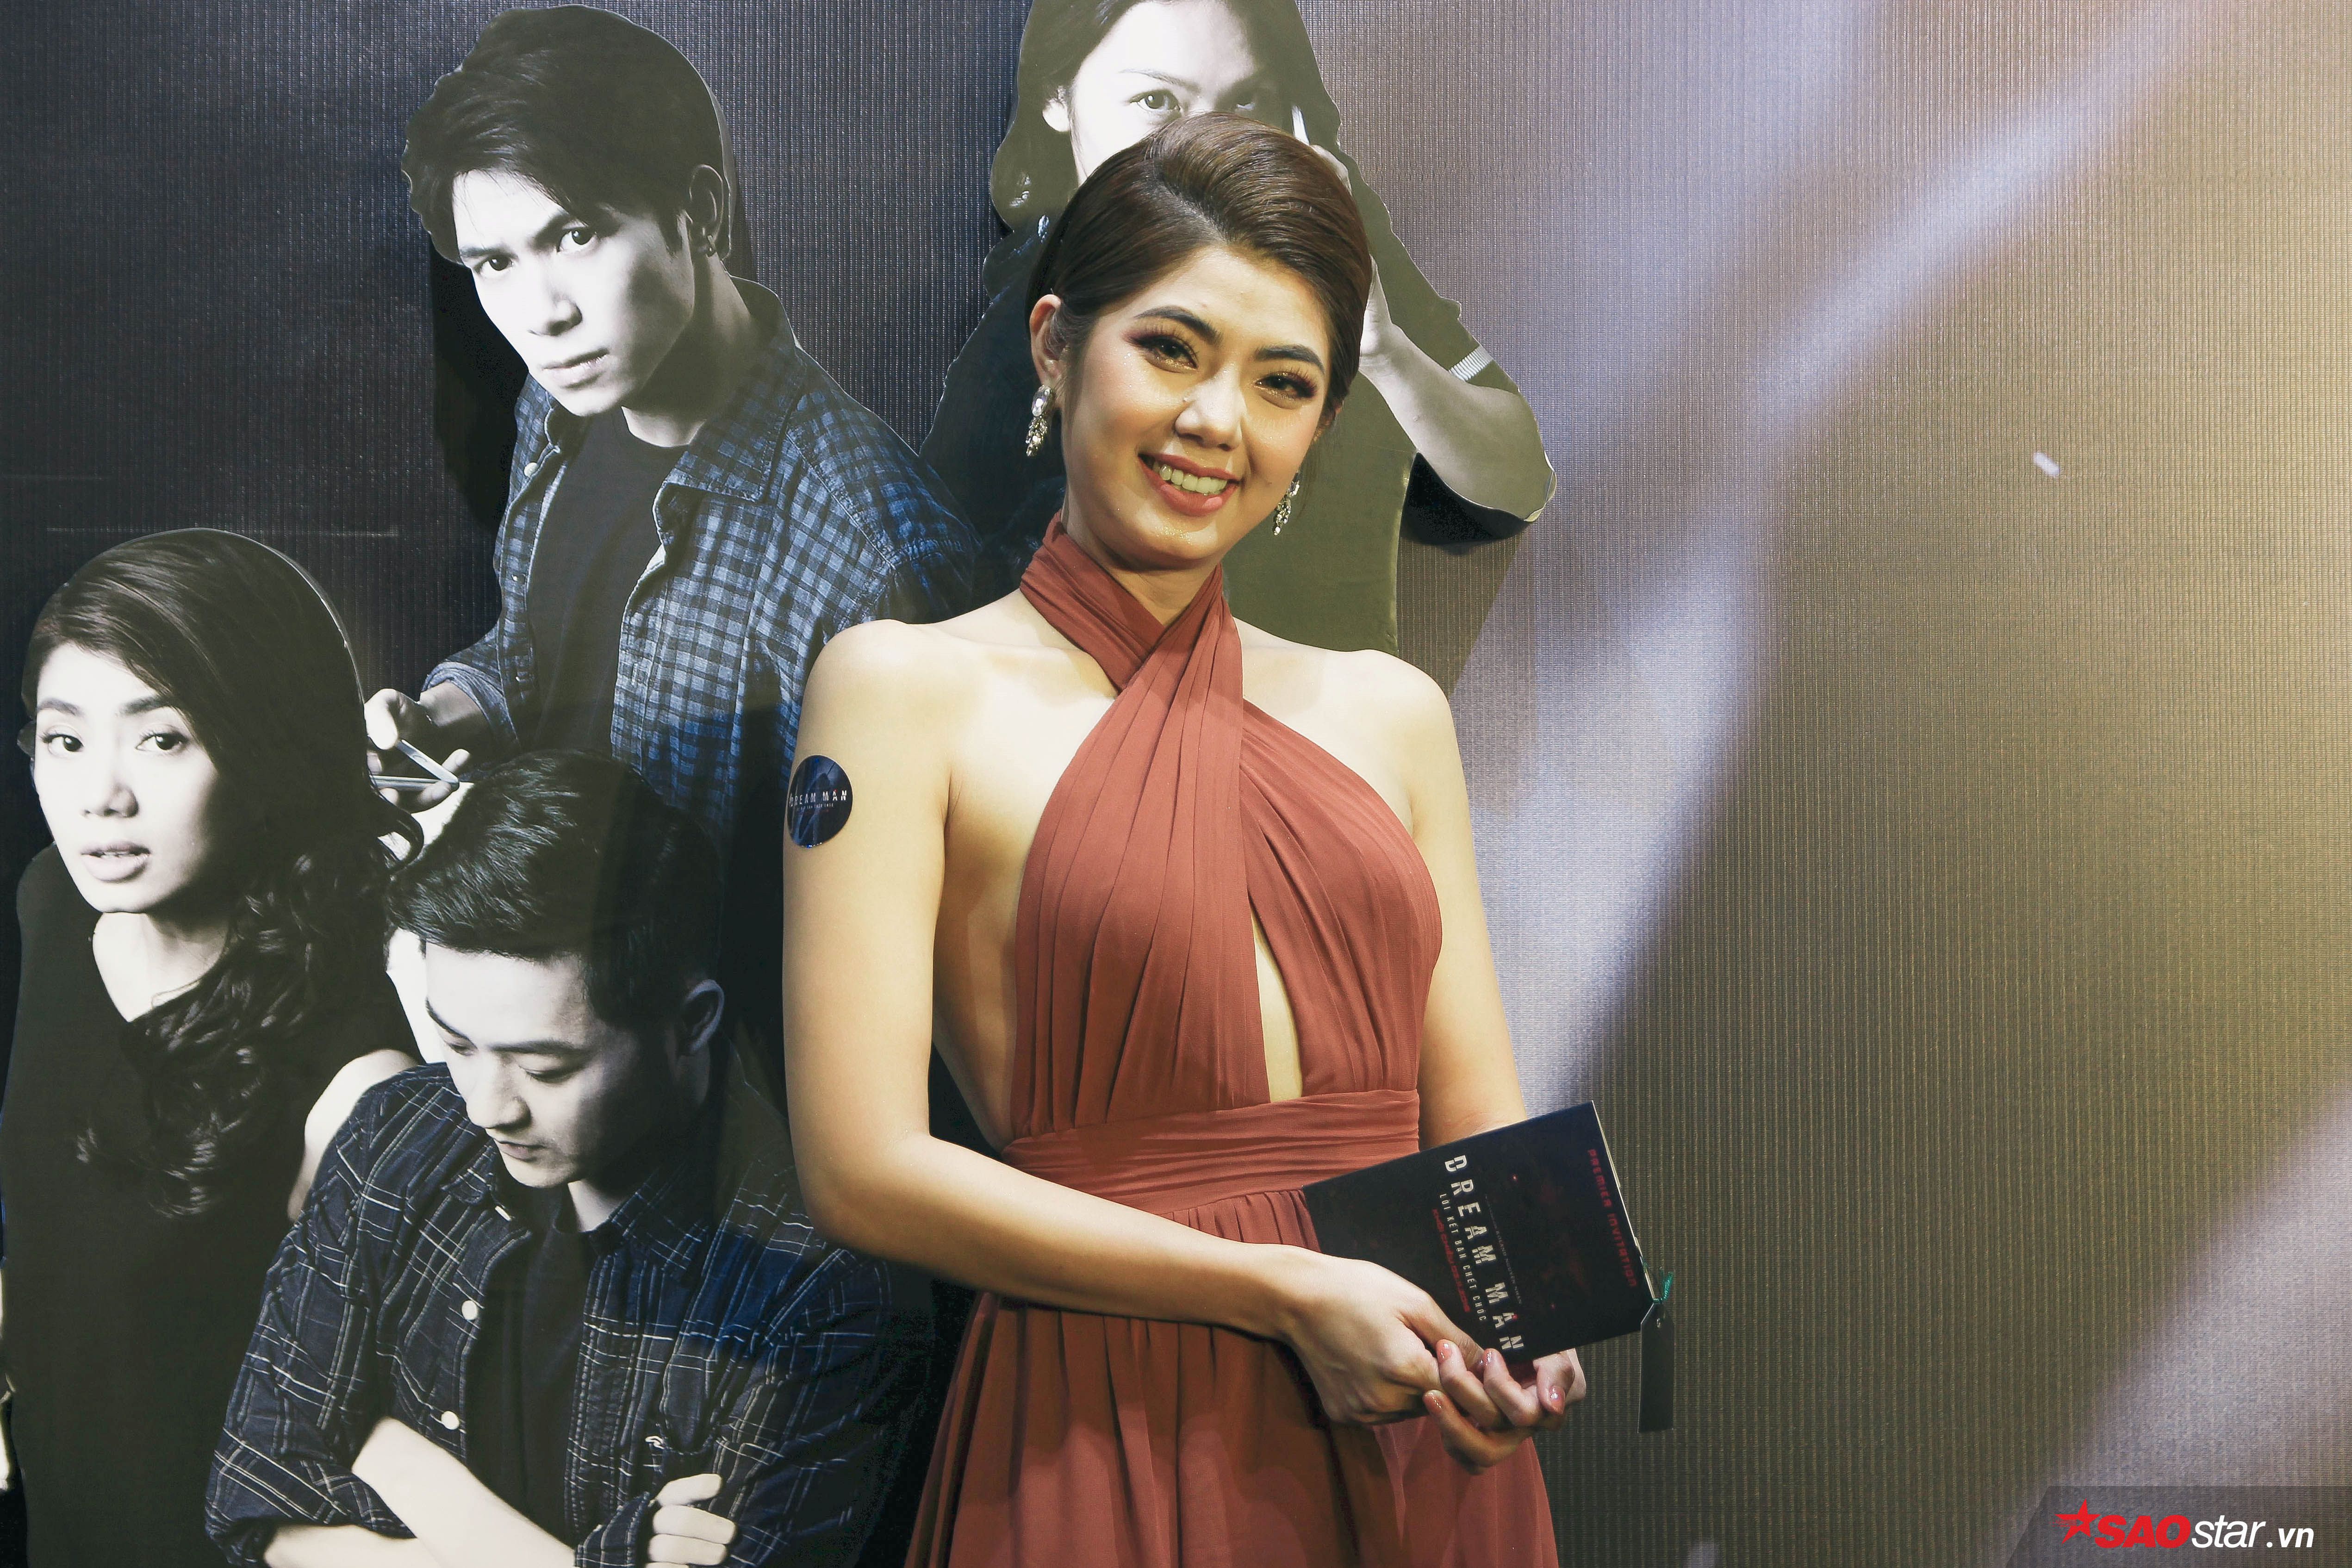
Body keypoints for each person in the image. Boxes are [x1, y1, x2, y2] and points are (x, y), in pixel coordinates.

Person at [785, 116, 1579, 1567]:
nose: (1219, 420)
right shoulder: (900, 689)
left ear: (1319, 427)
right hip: (1110, 1410)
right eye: (1171, 349)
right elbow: (861, 1166)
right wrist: (1281, 1291)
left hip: (1420, 1421)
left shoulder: (1391, 711)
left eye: (1283, 383)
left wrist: (1528, 1315)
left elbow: (1476, 1122)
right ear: (1054, 347)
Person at [368, 6, 981, 1087]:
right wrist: (452, 715)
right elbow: (542, 650)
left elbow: (911, 957)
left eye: (576, 236)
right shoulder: (560, 407)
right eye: (495, 262)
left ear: (698, 210)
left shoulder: (874, 549)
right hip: (534, 1017)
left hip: (714, 1087)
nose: (541, 312)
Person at [206, 750, 931, 1568]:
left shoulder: (824, 1289)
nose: (486, 1108)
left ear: (690, 1025)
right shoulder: (393, 1133)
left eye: (546, 1068)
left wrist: (398, 1462)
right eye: (456, 1045)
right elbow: (257, 1506)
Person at [0, 530, 419, 1568]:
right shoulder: (54, 904)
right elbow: (57, 1233)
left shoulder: (358, 1077)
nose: (101, 796)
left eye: (162, 739)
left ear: (267, 745)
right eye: (64, 740)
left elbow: (390, 1434)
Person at [920, 0, 1554, 683]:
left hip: (1306, 709)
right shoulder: (1016, 336)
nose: (1208, 141)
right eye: (1157, 102)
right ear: (1057, 98)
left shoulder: (1333, 252)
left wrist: (1384, 353)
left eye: (1247, 102)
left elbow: (1518, 486)